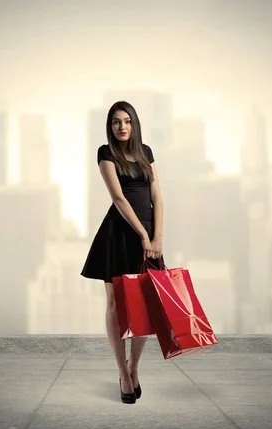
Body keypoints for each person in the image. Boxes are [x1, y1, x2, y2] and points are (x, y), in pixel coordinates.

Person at [80, 100, 165, 404]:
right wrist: (143, 234)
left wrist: (157, 236)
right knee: (116, 303)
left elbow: (157, 195)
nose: (121, 127)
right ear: (110, 126)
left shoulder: (146, 153)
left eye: (126, 121)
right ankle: (122, 371)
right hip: (119, 234)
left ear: (134, 123)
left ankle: (134, 367)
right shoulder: (106, 153)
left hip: (147, 235)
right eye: (116, 122)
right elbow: (117, 197)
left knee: (144, 305)